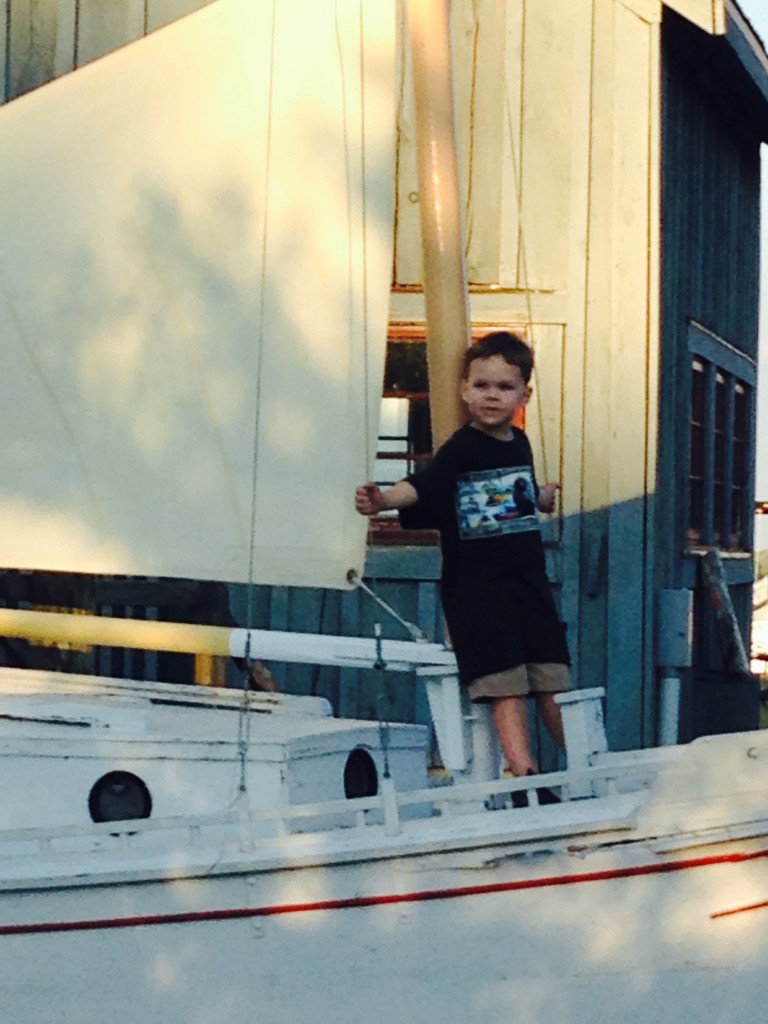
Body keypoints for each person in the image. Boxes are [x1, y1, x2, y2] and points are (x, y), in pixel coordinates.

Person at [355, 331, 569, 797]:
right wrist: (384, 500)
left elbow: (514, 497)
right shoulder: (462, 447)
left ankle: (586, 764)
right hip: (478, 590)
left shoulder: (520, 444)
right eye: (482, 385)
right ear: (464, 390)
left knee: (553, 678)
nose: (491, 396)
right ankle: (525, 777)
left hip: (527, 583)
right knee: (504, 686)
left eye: (504, 387)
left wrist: (543, 499)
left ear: (523, 395)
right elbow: (423, 485)